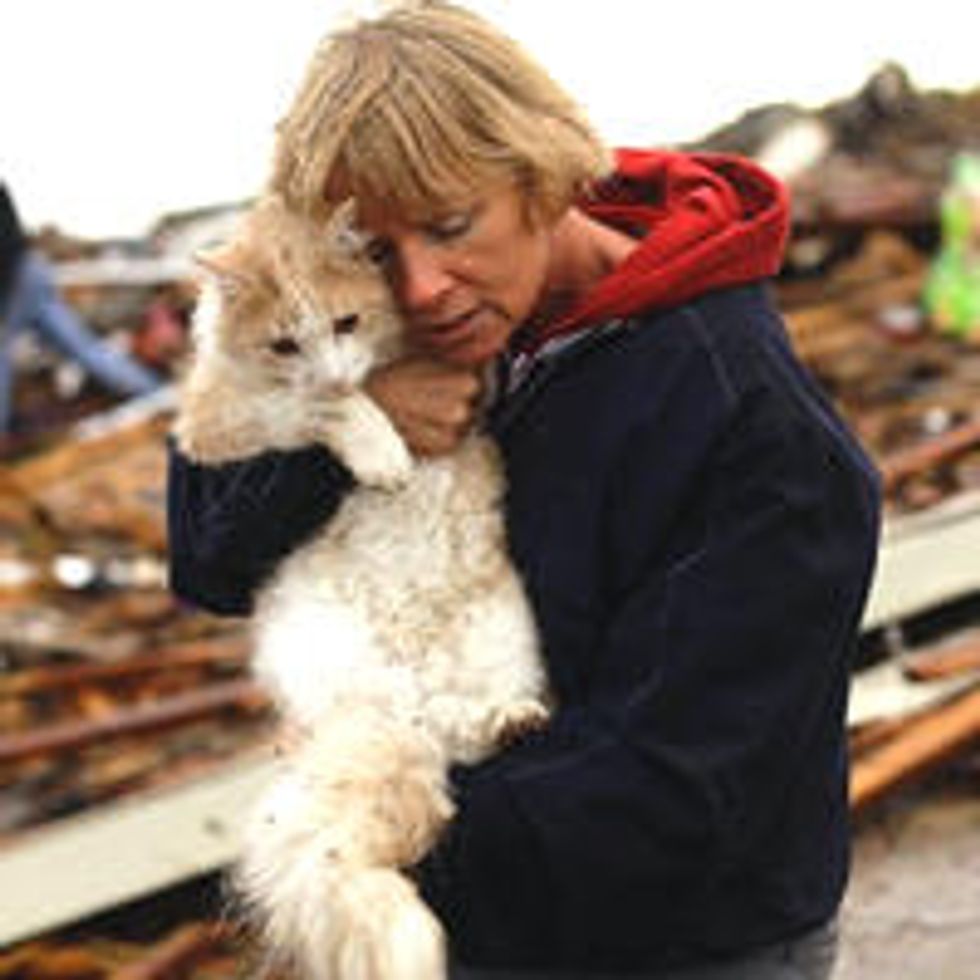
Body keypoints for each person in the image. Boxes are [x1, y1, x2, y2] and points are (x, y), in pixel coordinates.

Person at [167, 3, 882, 977]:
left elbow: (678, 789)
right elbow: (206, 553)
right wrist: (334, 432)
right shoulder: (381, 338)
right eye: (374, 250)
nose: (420, 288)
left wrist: (379, 839)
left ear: (541, 175)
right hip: (480, 913)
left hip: (689, 942)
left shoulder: (743, 418)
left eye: (450, 226)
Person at [0, 182, 161, 435]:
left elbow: (6, 245)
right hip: (27, 270)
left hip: (14, 277)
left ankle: (155, 394)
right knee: (84, 348)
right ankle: (152, 391)